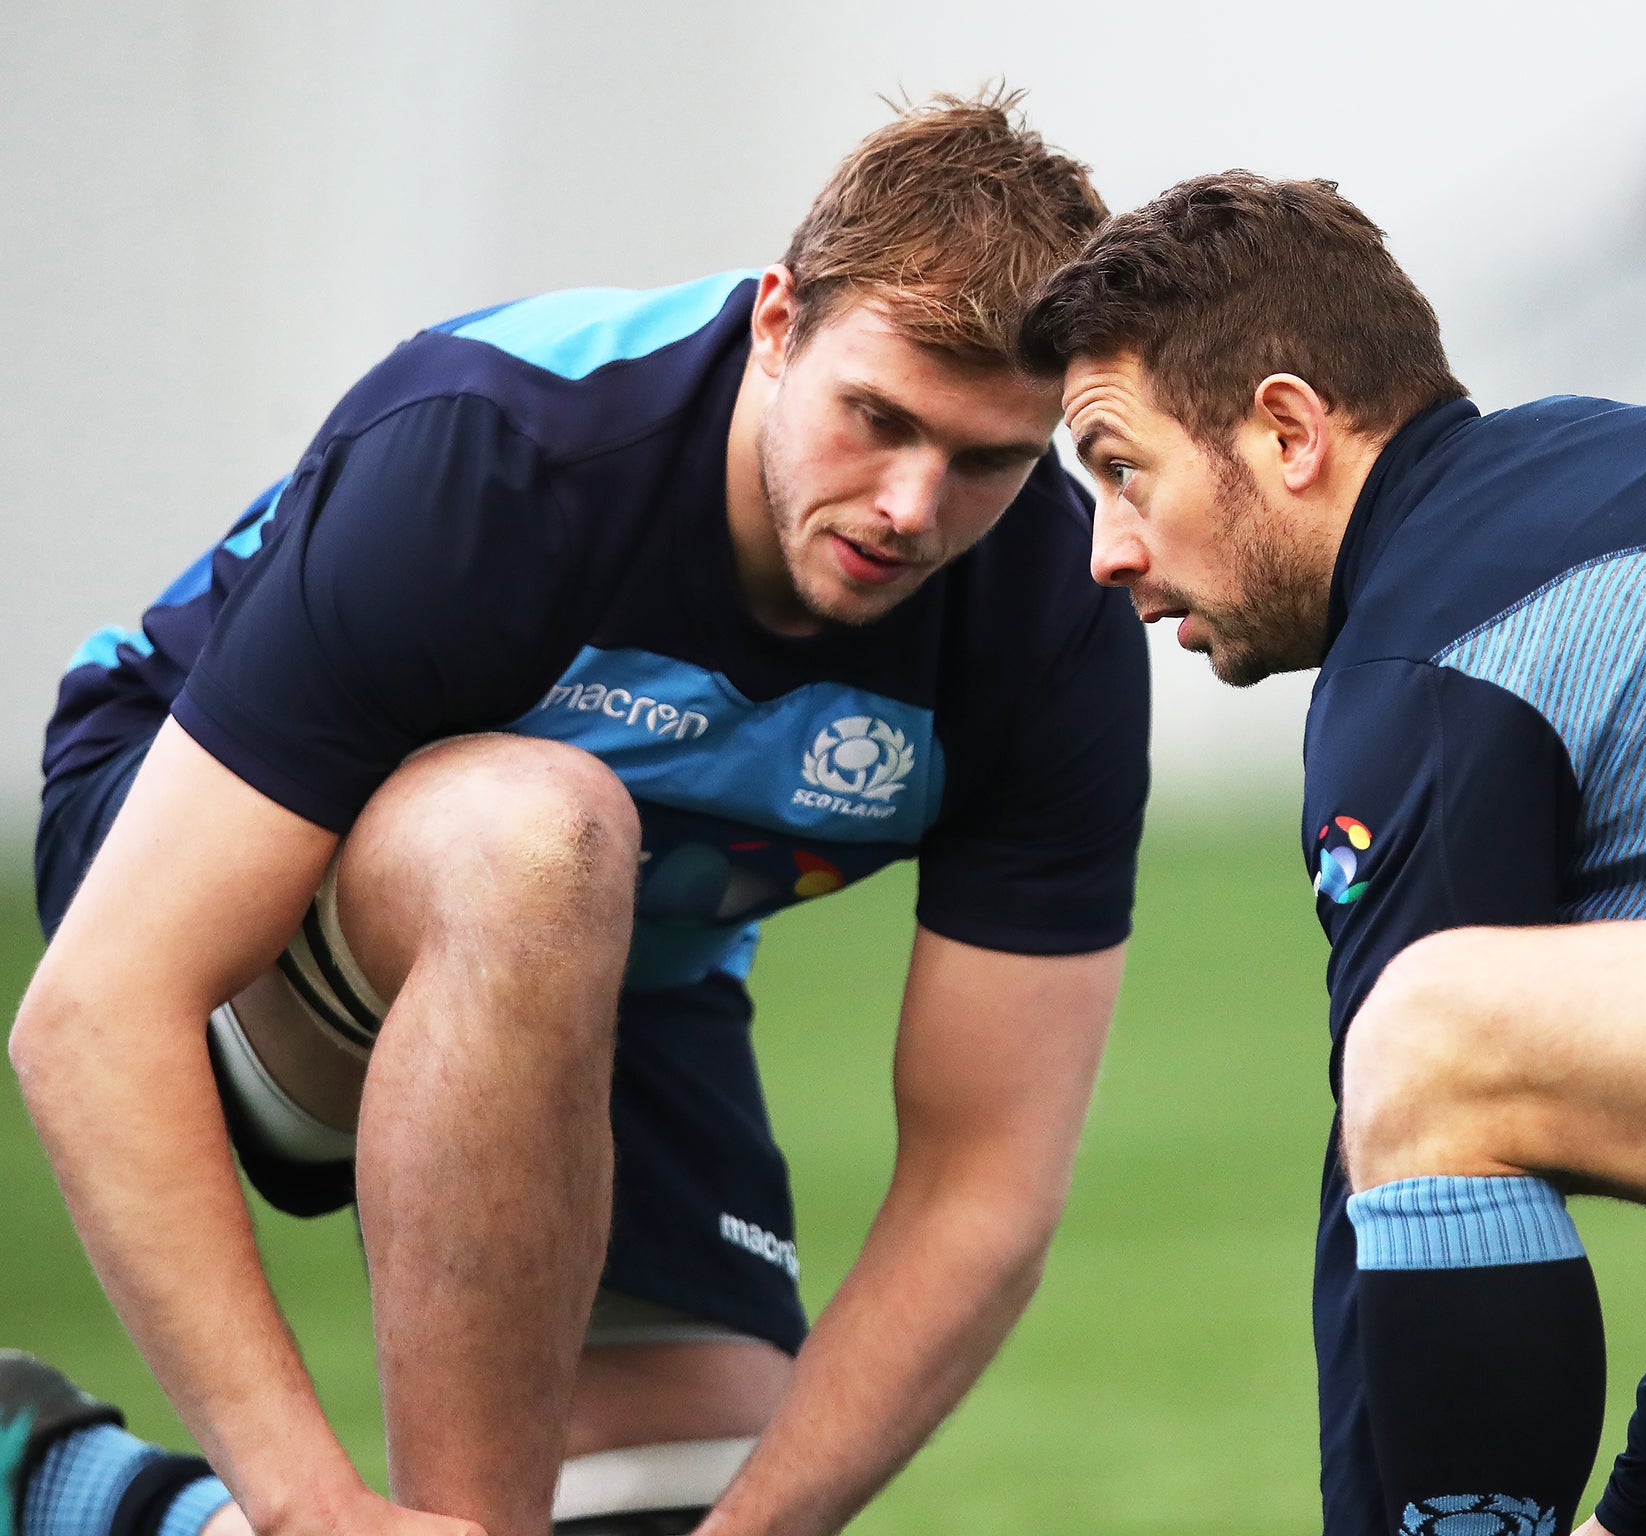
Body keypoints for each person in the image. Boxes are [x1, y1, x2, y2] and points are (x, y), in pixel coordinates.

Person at [7, 91, 1147, 1536]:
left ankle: (61, 1486)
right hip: (204, 867)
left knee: (682, 1501)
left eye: (987, 458)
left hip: (613, 966)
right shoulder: (500, 459)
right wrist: (306, 1504)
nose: (914, 506)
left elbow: (985, 1186)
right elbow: (91, 1013)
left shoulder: (1051, 620)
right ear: (778, 324)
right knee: (543, 830)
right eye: (880, 420)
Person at [1019, 171, 1646, 1536]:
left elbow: (1384, 1165)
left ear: (1286, 430)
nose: (1108, 549)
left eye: (1118, 467)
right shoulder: (1605, 473)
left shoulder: (1429, 652)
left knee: (1429, 1034)